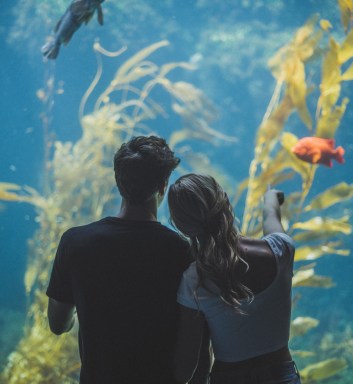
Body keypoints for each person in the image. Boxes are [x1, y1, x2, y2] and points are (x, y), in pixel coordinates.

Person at [46, 136, 193, 384]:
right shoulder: (180, 249)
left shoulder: (75, 242)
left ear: (118, 181)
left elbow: (58, 324)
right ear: (163, 186)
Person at [168, 173, 301, 384]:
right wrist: (270, 199)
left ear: (181, 226)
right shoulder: (281, 251)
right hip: (281, 376)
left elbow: (187, 365)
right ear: (226, 203)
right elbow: (271, 219)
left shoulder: (194, 280)